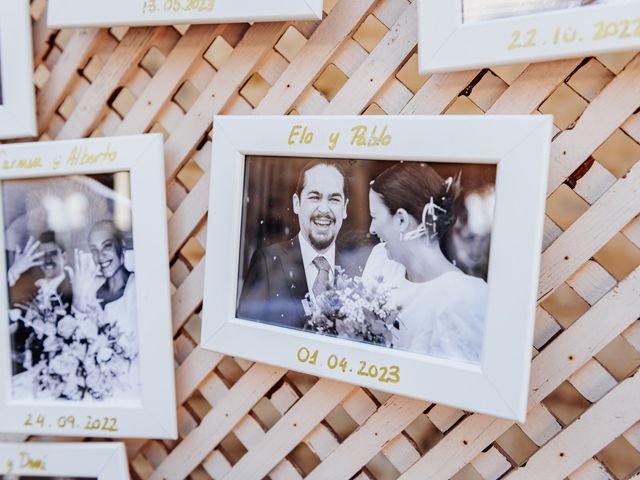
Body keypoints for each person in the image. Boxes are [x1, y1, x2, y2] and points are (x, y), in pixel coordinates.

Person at [362, 163, 488, 363]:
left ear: (401, 220)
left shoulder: (465, 297)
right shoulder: (381, 262)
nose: (372, 229)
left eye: (375, 217)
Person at [237, 160, 361, 329]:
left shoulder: (358, 270)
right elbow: (245, 331)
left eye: (334, 199)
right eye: (314, 197)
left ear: (345, 208)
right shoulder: (267, 261)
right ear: (297, 203)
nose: (324, 209)